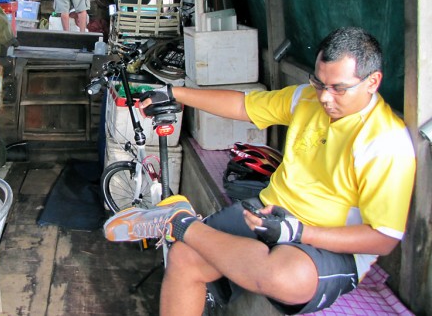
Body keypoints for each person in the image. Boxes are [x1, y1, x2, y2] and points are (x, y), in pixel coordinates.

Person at [103, 27, 416, 315]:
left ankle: (180, 222)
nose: (324, 96)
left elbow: (383, 239)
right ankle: (182, 226)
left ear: (373, 81)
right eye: (318, 82)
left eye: (338, 88)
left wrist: (297, 232)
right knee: (184, 258)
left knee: (283, 276)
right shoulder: (305, 99)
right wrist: (175, 94)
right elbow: (243, 106)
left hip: (325, 242)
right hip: (267, 211)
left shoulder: (385, 142)